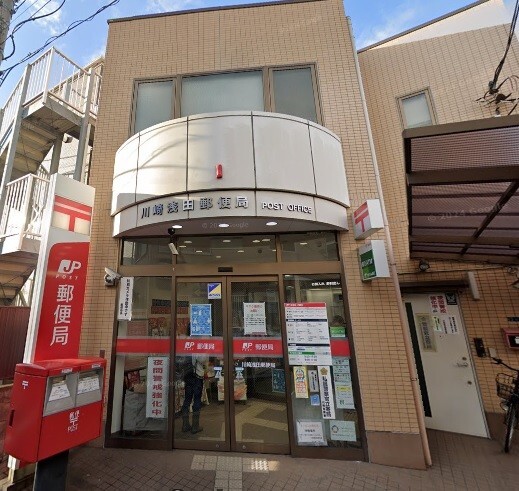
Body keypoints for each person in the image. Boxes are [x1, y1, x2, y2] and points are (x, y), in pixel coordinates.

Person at [181, 355, 207, 434]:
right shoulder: (198, 349)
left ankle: (185, 425)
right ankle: (195, 426)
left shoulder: (187, 349)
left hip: (188, 376)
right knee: (197, 400)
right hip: (197, 377)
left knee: (187, 399)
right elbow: (202, 360)